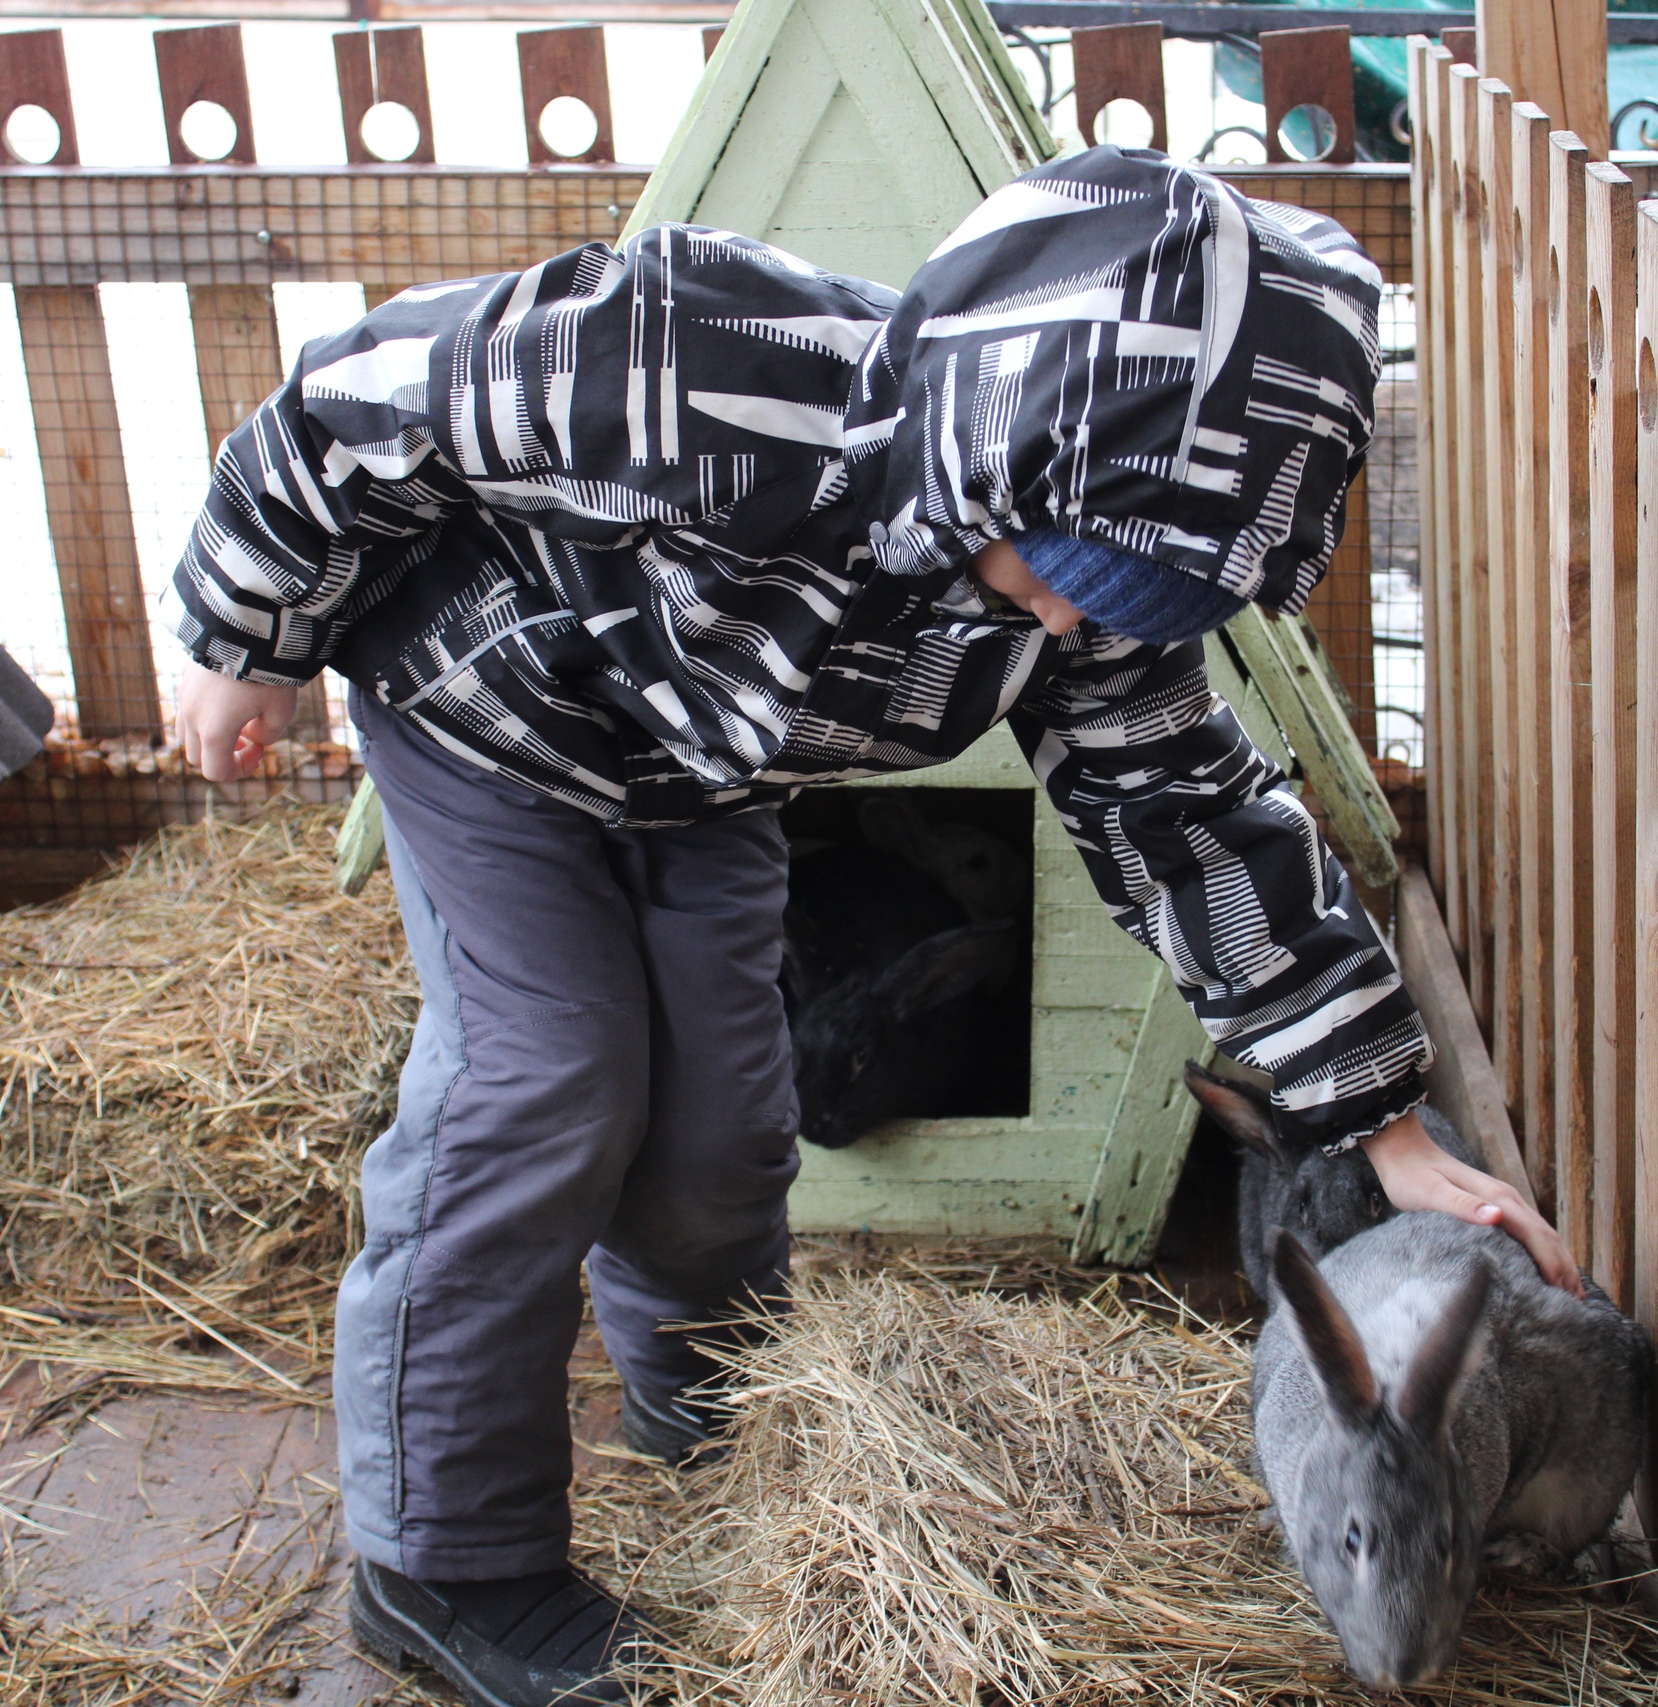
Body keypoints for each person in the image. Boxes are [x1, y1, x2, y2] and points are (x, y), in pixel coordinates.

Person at [164, 145, 1572, 1707]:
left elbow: (1190, 817)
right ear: (995, 437)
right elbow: (373, 394)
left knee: (723, 1099)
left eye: (1129, 606)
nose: (1069, 624)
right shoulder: (707, 373)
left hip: (700, 776)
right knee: (548, 1075)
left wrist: (1378, 1119)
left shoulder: (1084, 623)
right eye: (1065, 571)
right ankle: (443, 1559)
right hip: (483, 717)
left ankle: (712, 1395)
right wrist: (246, 628)